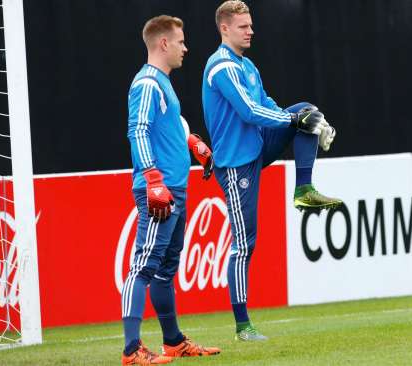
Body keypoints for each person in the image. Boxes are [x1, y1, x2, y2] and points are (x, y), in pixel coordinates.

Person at [201, 0, 342, 341]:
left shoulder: (247, 66)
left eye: (250, 25)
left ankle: (303, 189)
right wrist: (293, 120)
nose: (251, 31)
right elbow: (249, 111)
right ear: (224, 28)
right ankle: (242, 325)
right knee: (245, 243)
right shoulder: (222, 67)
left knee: (309, 109)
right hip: (235, 163)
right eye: (243, 26)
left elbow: (267, 105)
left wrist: (304, 120)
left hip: (257, 147)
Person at [122, 15, 220, 364]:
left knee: (165, 269)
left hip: (175, 188)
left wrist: (191, 141)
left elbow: (169, 125)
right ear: (163, 43)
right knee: (143, 267)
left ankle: (173, 341)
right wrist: (152, 179)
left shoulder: (161, 82)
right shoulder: (147, 83)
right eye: (180, 41)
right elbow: (138, 130)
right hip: (159, 189)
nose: (185, 47)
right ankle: (131, 350)